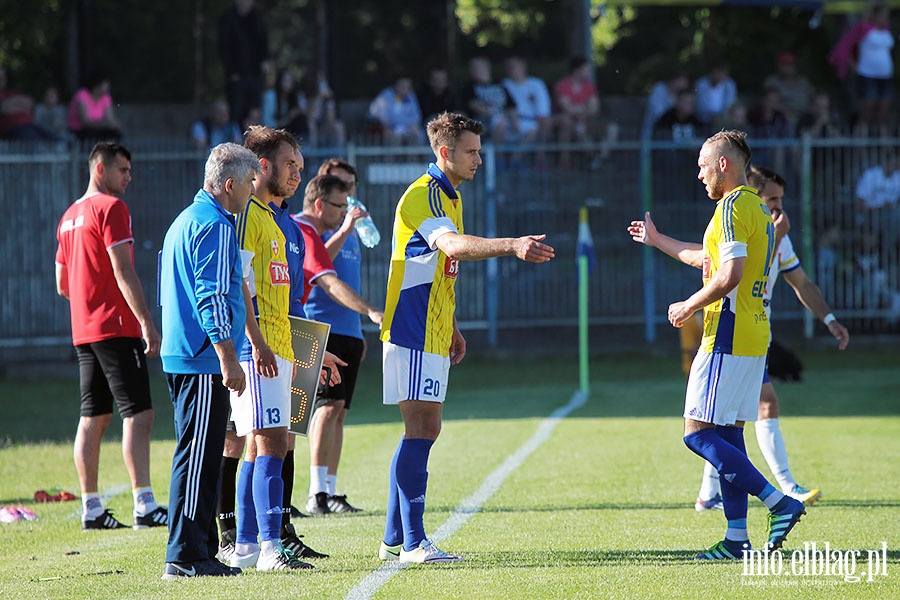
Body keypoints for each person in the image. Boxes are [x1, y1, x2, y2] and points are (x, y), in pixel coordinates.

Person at [378, 111, 555, 564]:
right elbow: (453, 247)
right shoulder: (423, 196)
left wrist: (451, 323)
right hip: (412, 329)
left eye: (479, 150)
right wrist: (513, 244)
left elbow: (439, 268)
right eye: (472, 151)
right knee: (424, 428)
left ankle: (396, 538)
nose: (480, 158)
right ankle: (414, 544)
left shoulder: (449, 195)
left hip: (432, 329)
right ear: (445, 152)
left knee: (420, 430)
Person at [627, 130, 807, 560]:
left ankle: (780, 503)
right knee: (728, 434)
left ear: (724, 164)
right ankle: (736, 539)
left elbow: (730, 276)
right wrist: (657, 240)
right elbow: (707, 259)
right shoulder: (757, 209)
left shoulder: (729, 207)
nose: (700, 173)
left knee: (696, 433)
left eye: (704, 164)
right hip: (753, 334)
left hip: (725, 333)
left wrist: (687, 305)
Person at [693, 166, 850, 513]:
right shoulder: (750, 225)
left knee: (724, 421)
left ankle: (714, 498)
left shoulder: (776, 233)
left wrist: (829, 318)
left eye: (781, 199)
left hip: (753, 336)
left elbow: (802, 284)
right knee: (732, 417)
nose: (779, 206)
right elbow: (736, 268)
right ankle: (783, 492)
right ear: (755, 195)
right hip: (733, 335)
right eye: (773, 198)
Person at [219, 125, 318, 572]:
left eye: (299, 165)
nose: (297, 173)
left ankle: (245, 546)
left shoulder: (271, 219)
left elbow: (275, 295)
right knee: (270, 443)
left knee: (260, 447)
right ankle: (269, 547)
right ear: (263, 166)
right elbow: (239, 285)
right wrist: (258, 344)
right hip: (258, 352)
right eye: (290, 164)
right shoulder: (247, 218)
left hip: (277, 348)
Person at [159, 142, 259, 579]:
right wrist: (228, 357)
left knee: (195, 453)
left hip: (184, 354)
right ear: (230, 184)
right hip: (201, 359)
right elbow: (212, 296)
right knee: (200, 456)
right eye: (251, 182)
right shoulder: (216, 225)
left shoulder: (186, 218)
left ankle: (196, 550)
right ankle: (186, 556)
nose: (254, 190)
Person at [55, 141, 167, 532]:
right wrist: (147, 324)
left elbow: (62, 284)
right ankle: (145, 504)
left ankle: (90, 507)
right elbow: (123, 270)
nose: (129, 178)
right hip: (116, 327)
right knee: (139, 414)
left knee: (93, 417)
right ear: (99, 169)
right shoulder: (111, 208)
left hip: (84, 331)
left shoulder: (69, 215)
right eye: (123, 170)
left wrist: (88, 300)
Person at [291, 173, 383, 499]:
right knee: (275, 429)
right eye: (339, 205)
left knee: (320, 415)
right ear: (319, 203)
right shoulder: (299, 229)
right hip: (299, 328)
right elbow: (328, 283)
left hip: (306, 328)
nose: (345, 212)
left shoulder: (309, 232)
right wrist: (372, 311)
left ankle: (309, 500)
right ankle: (313, 495)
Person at [828, 3, 894, 130]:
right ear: (875, 15)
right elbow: (847, 44)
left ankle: (886, 147)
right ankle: (861, 147)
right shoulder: (863, 28)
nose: (886, 17)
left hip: (885, 75)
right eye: (883, 14)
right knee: (867, 111)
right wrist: (852, 64)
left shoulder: (887, 29)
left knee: (884, 113)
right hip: (867, 75)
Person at [219, 0, 269, 127]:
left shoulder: (257, 17)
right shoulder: (228, 18)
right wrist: (232, 72)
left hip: (255, 73)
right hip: (237, 74)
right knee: (238, 109)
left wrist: (264, 60)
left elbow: (263, 41)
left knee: (255, 108)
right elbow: (224, 47)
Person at [460, 57, 514, 142]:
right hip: (481, 123)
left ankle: (518, 155)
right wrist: (494, 114)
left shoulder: (500, 86)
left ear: (487, 68)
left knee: (528, 128)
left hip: (504, 120)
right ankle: (498, 154)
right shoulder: (469, 88)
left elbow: (511, 107)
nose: (476, 70)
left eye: (478, 67)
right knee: (498, 121)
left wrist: (515, 121)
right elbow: (474, 105)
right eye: (473, 68)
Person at [502, 56, 553, 143]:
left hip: (533, 122)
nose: (510, 70)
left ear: (523, 67)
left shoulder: (537, 84)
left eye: (513, 67)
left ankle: (538, 155)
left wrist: (537, 125)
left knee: (537, 128)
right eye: (508, 67)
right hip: (511, 121)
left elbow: (543, 112)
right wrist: (514, 119)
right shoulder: (504, 85)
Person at [0, 66, 57, 141]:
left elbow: (30, 103)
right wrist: (18, 104)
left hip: (32, 127)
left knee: (59, 141)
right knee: (34, 139)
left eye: (3, 78)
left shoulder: (11, 92)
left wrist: (11, 104)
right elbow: (3, 108)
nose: (2, 80)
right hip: (14, 131)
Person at [67, 71, 123, 141]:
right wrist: (104, 124)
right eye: (105, 84)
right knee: (92, 134)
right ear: (97, 85)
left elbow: (110, 118)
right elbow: (85, 121)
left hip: (98, 129)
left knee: (115, 133)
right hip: (80, 130)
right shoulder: (82, 95)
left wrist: (114, 124)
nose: (108, 87)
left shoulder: (106, 97)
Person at [367, 77, 424, 145]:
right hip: (387, 129)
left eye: (408, 87)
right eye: (402, 86)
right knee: (394, 136)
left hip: (406, 129)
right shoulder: (385, 96)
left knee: (418, 134)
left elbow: (416, 117)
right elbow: (384, 119)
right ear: (395, 86)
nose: (405, 89)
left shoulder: (411, 96)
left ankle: (413, 155)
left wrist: (411, 125)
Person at [762, 52, 813, 125]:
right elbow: (767, 102)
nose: (788, 67)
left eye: (791, 64)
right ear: (779, 66)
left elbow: (813, 101)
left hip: (804, 116)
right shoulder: (772, 82)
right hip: (781, 117)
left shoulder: (804, 82)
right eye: (785, 64)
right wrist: (786, 114)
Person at [642, 70, 689, 138]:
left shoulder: (680, 95)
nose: (685, 84)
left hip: (674, 135)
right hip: (654, 135)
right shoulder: (659, 90)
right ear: (674, 81)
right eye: (682, 81)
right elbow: (659, 115)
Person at [694, 60, 738, 126]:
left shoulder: (729, 84)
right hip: (702, 119)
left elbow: (730, 103)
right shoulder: (701, 84)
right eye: (718, 72)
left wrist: (720, 117)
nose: (720, 75)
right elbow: (699, 103)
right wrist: (709, 116)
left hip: (724, 120)